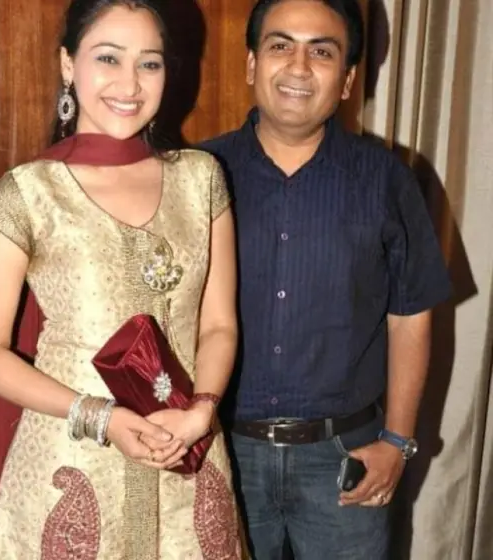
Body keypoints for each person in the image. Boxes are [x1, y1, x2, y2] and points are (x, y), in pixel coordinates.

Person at [0, 1, 244, 557]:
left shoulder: (202, 180)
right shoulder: (29, 194)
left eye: (149, 63)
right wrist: (102, 418)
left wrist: (202, 410)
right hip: (72, 454)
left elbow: (218, 324)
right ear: (68, 64)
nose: (130, 84)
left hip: (186, 449)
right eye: (108, 58)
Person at [200, 1, 452, 559]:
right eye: (280, 45)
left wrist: (398, 441)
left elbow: (410, 317)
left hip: (345, 460)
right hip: (222, 451)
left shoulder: (388, 180)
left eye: (321, 51)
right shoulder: (197, 174)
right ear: (252, 63)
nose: (298, 66)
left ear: (347, 79)